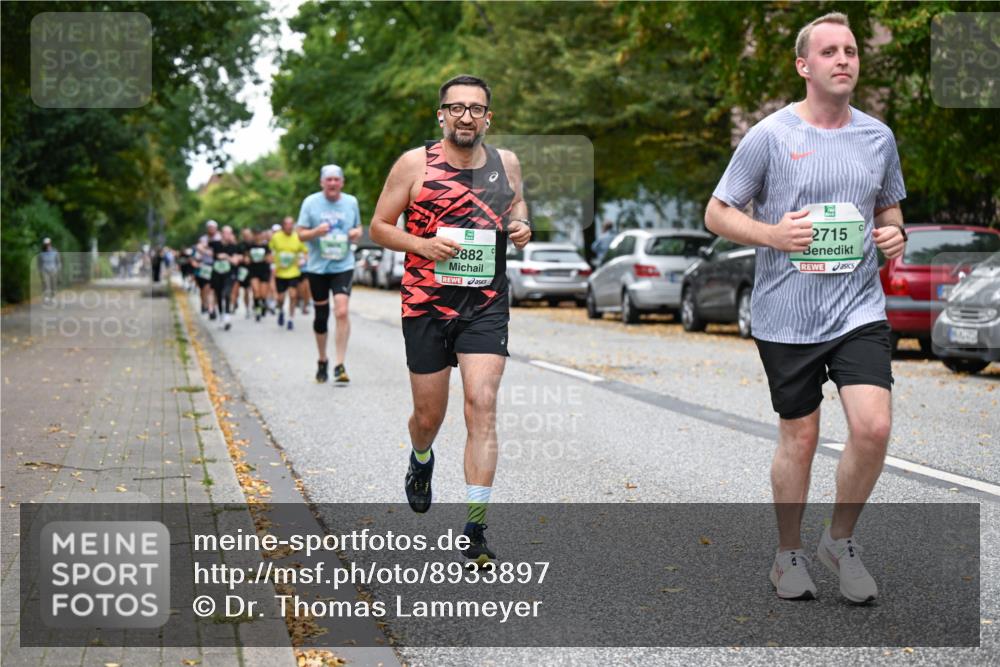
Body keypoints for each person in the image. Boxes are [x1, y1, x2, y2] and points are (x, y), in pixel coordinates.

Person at [704, 12, 907, 603]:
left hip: (858, 308)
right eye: (830, 52)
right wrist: (773, 235)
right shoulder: (771, 135)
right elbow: (717, 213)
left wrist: (895, 235)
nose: (844, 59)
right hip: (786, 312)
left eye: (850, 50)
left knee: (873, 427)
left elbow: (889, 215)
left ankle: (839, 540)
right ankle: (787, 553)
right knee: (801, 435)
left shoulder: (878, 137)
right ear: (804, 66)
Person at [369, 74, 531, 565]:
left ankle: (475, 529)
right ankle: (421, 460)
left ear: (488, 117)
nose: (466, 116)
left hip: (484, 304)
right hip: (425, 304)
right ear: (441, 114)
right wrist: (421, 245)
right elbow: (377, 227)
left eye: (475, 108)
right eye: (456, 108)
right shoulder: (414, 164)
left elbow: (516, 204)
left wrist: (522, 224)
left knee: (481, 404)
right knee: (428, 417)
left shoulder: (506, 163)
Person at [296, 165, 362, 384]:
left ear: (342, 182)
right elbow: (300, 235)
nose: (333, 183)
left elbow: (358, 228)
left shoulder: (351, 202)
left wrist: (355, 233)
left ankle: (339, 364)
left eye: (336, 179)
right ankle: (322, 359)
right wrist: (316, 232)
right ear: (322, 182)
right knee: (321, 317)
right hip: (317, 268)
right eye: (329, 180)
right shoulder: (310, 202)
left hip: (343, 265)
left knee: (341, 311)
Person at [269, 216, 307, 331]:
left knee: (293, 295)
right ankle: (281, 311)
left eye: (291, 224)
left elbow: (305, 252)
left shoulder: (297, 237)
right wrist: (273, 264)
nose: (289, 227)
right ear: (283, 225)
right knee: (280, 298)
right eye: (287, 224)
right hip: (280, 272)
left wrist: (303, 261)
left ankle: (291, 319)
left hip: (293, 272)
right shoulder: (276, 237)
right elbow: (270, 251)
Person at [210, 226, 243, 331]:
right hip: (217, 273)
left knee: (227, 292)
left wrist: (226, 257)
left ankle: (227, 315)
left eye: (229, 233)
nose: (227, 235)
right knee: (218, 294)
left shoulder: (234, 246)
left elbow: (236, 261)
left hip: (229, 273)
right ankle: (221, 316)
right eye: (225, 233)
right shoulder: (215, 244)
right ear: (221, 233)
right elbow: (201, 248)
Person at [246, 230, 272, 321]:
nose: (257, 236)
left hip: (264, 271)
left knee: (263, 294)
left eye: (259, 234)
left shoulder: (266, 246)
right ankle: (257, 310)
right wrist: (248, 259)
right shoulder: (250, 246)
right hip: (253, 271)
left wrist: (263, 258)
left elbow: (269, 258)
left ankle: (263, 304)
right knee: (256, 291)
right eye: (255, 234)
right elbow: (247, 257)